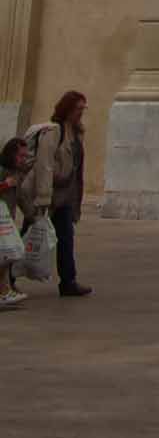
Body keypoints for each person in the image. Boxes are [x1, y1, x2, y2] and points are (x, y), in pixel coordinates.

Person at [28, 91, 91, 298]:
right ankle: (7, 276)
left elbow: (77, 168)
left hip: (65, 196)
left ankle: (68, 281)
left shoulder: (78, 132)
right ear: (68, 109)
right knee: (28, 235)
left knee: (66, 238)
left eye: (83, 108)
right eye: (78, 108)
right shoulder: (54, 131)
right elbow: (44, 165)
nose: (81, 112)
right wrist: (43, 197)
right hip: (49, 194)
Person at [0, 136, 29, 307]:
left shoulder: (17, 172)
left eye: (25, 156)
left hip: (6, 222)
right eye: (21, 156)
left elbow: (21, 198)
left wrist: (34, 215)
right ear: (11, 154)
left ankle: (5, 291)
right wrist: (5, 184)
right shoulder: (3, 170)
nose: (23, 159)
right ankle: (4, 292)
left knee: (5, 257)